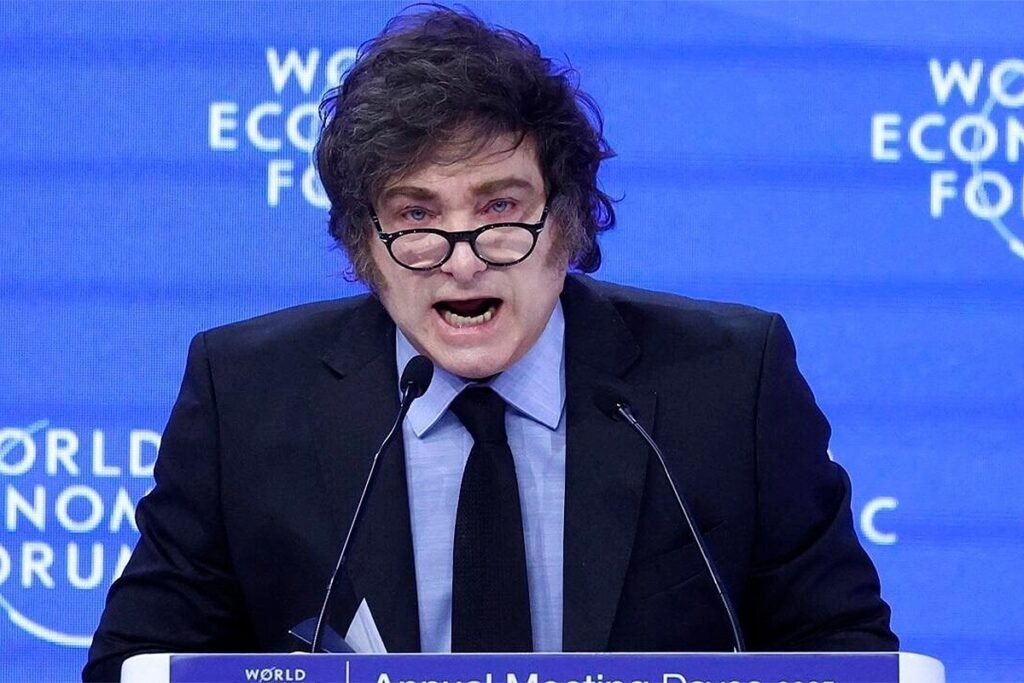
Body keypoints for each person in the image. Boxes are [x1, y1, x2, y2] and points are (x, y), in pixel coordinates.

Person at [84, 6, 897, 681]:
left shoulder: (727, 382)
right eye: (415, 215)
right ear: (364, 246)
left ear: (568, 222)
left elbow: (845, 654)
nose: (463, 258)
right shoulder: (246, 394)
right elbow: (139, 664)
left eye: (501, 208)